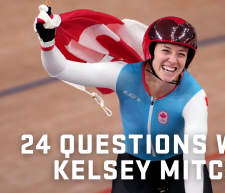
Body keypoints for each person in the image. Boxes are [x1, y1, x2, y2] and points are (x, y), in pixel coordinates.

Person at [34, 4, 213, 193]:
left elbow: (194, 160)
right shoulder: (124, 76)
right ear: (151, 51)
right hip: (134, 166)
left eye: (181, 54)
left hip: (181, 166)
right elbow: (60, 69)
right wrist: (47, 42)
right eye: (166, 51)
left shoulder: (195, 97)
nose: (173, 60)